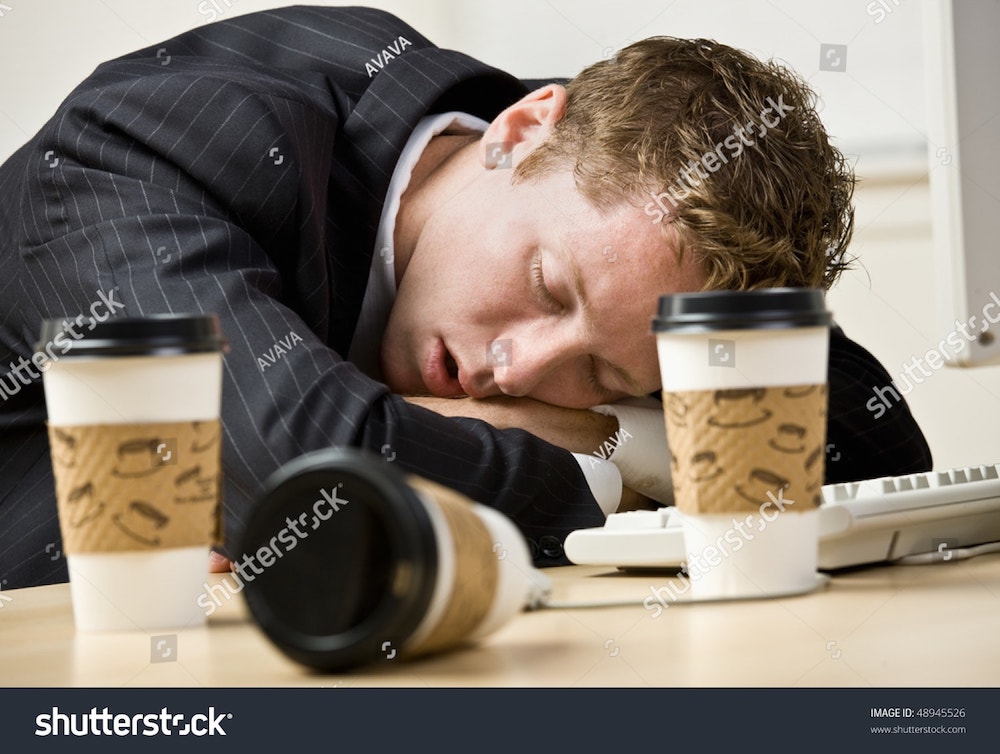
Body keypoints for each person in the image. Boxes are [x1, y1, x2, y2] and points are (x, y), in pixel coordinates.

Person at [0, 5, 931, 589]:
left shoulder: (618, 191)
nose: (516, 369)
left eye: (603, 371)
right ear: (523, 130)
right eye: (546, 289)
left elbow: (866, 441)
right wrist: (590, 456)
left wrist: (595, 423)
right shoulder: (154, 143)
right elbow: (296, 476)